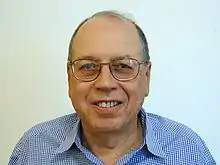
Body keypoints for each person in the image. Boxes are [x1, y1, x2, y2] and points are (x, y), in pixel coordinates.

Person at [9, 10, 216, 165]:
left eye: (123, 66)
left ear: (147, 77)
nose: (105, 83)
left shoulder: (188, 151)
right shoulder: (33, 149)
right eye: (88, 67)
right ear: (69, 77)